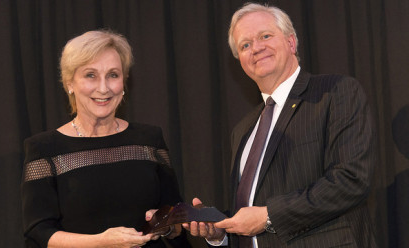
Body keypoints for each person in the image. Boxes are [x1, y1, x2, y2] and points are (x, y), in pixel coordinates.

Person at [183, 3, 377, 248]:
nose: (256, 48)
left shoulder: (335, 92)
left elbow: (351, 180)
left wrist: (268, 216)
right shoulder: (243, 131)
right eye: (245, 45)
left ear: (291, 42)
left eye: (265, 36)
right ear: (240, 61)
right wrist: (219, 232)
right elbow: (250, 213)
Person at [21, 30, 189, 248]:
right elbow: (39, 232)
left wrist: (165, 224)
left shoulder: (150, 140)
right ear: (69, 83)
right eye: (90, 75)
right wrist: (100, 242)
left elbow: (176, 220)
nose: (103, 88)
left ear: (124, 82)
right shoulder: (44, 149)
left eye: (113, 75)